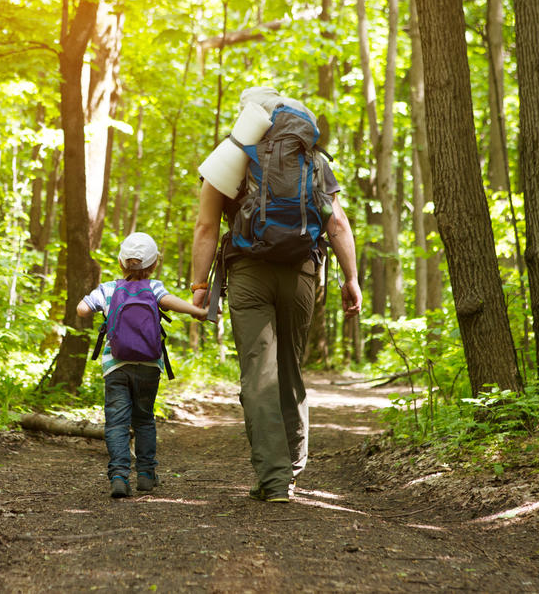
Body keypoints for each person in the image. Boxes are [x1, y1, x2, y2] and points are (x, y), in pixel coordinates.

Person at [190, 86, 363, 503]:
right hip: (302, 271)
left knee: (259, 373)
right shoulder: (313, 160)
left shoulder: (231, 156)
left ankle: (273, 478)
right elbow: (336, 223)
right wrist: (351, 278)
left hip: (249, 273)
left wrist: (199, 286)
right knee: (288, 368)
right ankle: (291, 471)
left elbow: (206, 228)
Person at [78, 232, 208, 498]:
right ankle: (147, 475)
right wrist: (198, 311)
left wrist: (95, 306)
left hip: (115, 366)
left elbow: (82, 309)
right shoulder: (154, 287)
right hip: (150, 365)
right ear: (154, 265)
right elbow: (172, 303)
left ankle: (118, 476)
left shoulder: (109, 288)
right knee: (145, 420)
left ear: (121, 262)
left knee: (116, 423)